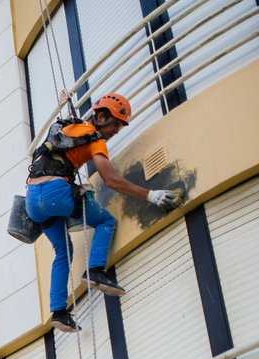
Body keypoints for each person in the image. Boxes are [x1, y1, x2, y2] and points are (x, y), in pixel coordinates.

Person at [25, 93, 182, 332]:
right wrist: (150, 195)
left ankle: (58, 312)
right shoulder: (95, 139)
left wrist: (62, 100)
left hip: (32, 202)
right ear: (101, 116)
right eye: (116, 124)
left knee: (63, 252)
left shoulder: (67, 127)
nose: (116, 130)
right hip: (56, 194)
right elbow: (111, 180)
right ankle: (95, 271)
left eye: (120, 126)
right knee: (106, 221)